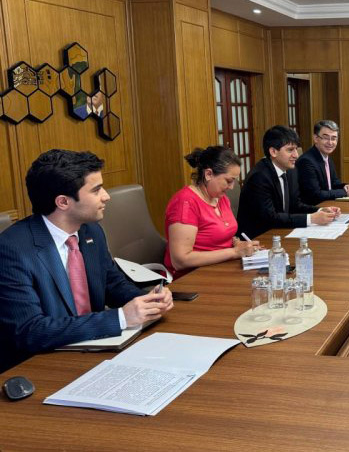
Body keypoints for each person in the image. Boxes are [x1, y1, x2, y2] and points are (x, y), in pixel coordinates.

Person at [0, 149, 173, 372]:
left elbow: (111, 283)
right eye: (96, 190)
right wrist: (121, 318)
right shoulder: (12, 250)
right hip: (41, 365)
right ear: (63, 202)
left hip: (95, 350)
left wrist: (147, 300)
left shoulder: (91, 231)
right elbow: (30, 331)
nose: (106, 196)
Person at [164, 146, 259, 277]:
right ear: (208, 174)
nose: (232, 187)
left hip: (220, 269)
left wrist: (237, 243)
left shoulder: (221, 198)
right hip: (190, 277)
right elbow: (180, 261)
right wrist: (234, 252)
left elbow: (217, 234)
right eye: (229, 181)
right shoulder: (185, 203)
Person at [237, 125, 340, 238]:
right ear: (273, 151)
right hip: (258, 238)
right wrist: (311, 218)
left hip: (280, 232)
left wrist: (320, 210)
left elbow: (295, 205)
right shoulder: (259, 177)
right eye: (290, 150)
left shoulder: (291, 170)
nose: (296, 155)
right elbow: (270, 218)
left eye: (296, 149)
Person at [297, 120, 349, 204]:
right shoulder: (306, 161)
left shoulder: (326, 157)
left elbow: (334, 183)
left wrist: (347, 187)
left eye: (333, 138)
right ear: (315, 138)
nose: (330, 142)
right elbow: (315, 195)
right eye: (326, 138)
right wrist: (345, 192)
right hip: (315, 208)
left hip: (328, 204)